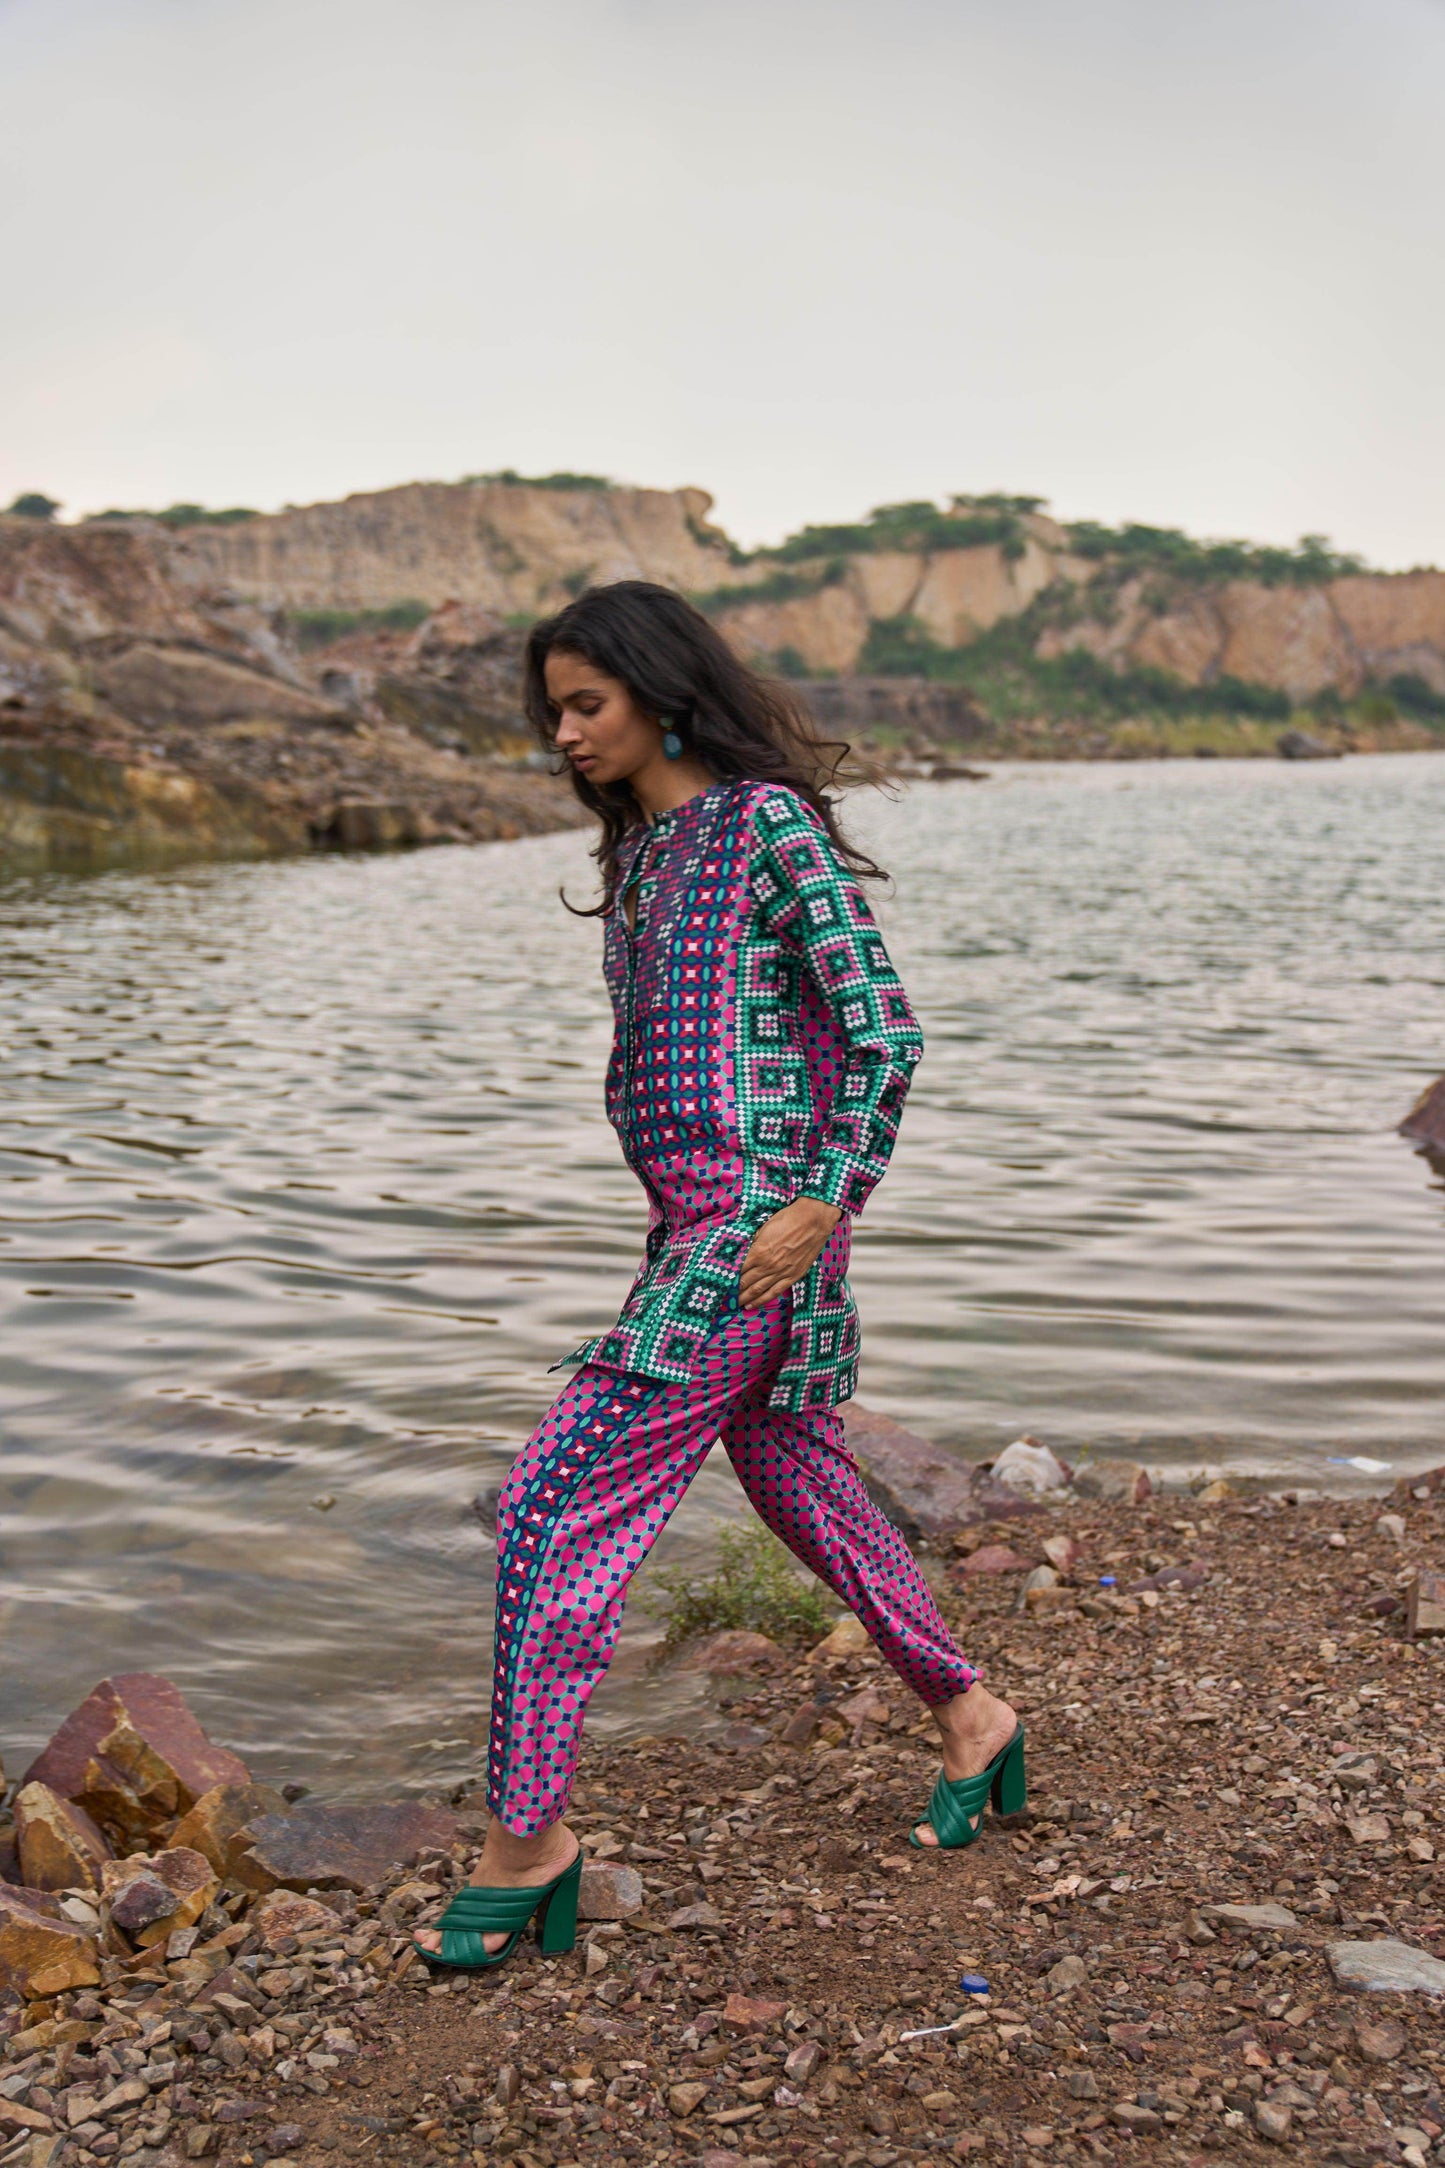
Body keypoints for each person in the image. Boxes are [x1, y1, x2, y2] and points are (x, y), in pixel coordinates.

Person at [416, 582, 1022, 1971]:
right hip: (685, 1231)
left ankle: (527, 1843)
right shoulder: (642, 859)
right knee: (806, 1491)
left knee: (549, 1506)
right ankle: (973, 1718)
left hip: (749, 1239)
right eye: (553, 712)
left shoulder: (764, 825)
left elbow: (883, 1033)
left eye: (587, 704)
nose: (565, 735)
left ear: (662, 693)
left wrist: (823, 1203)